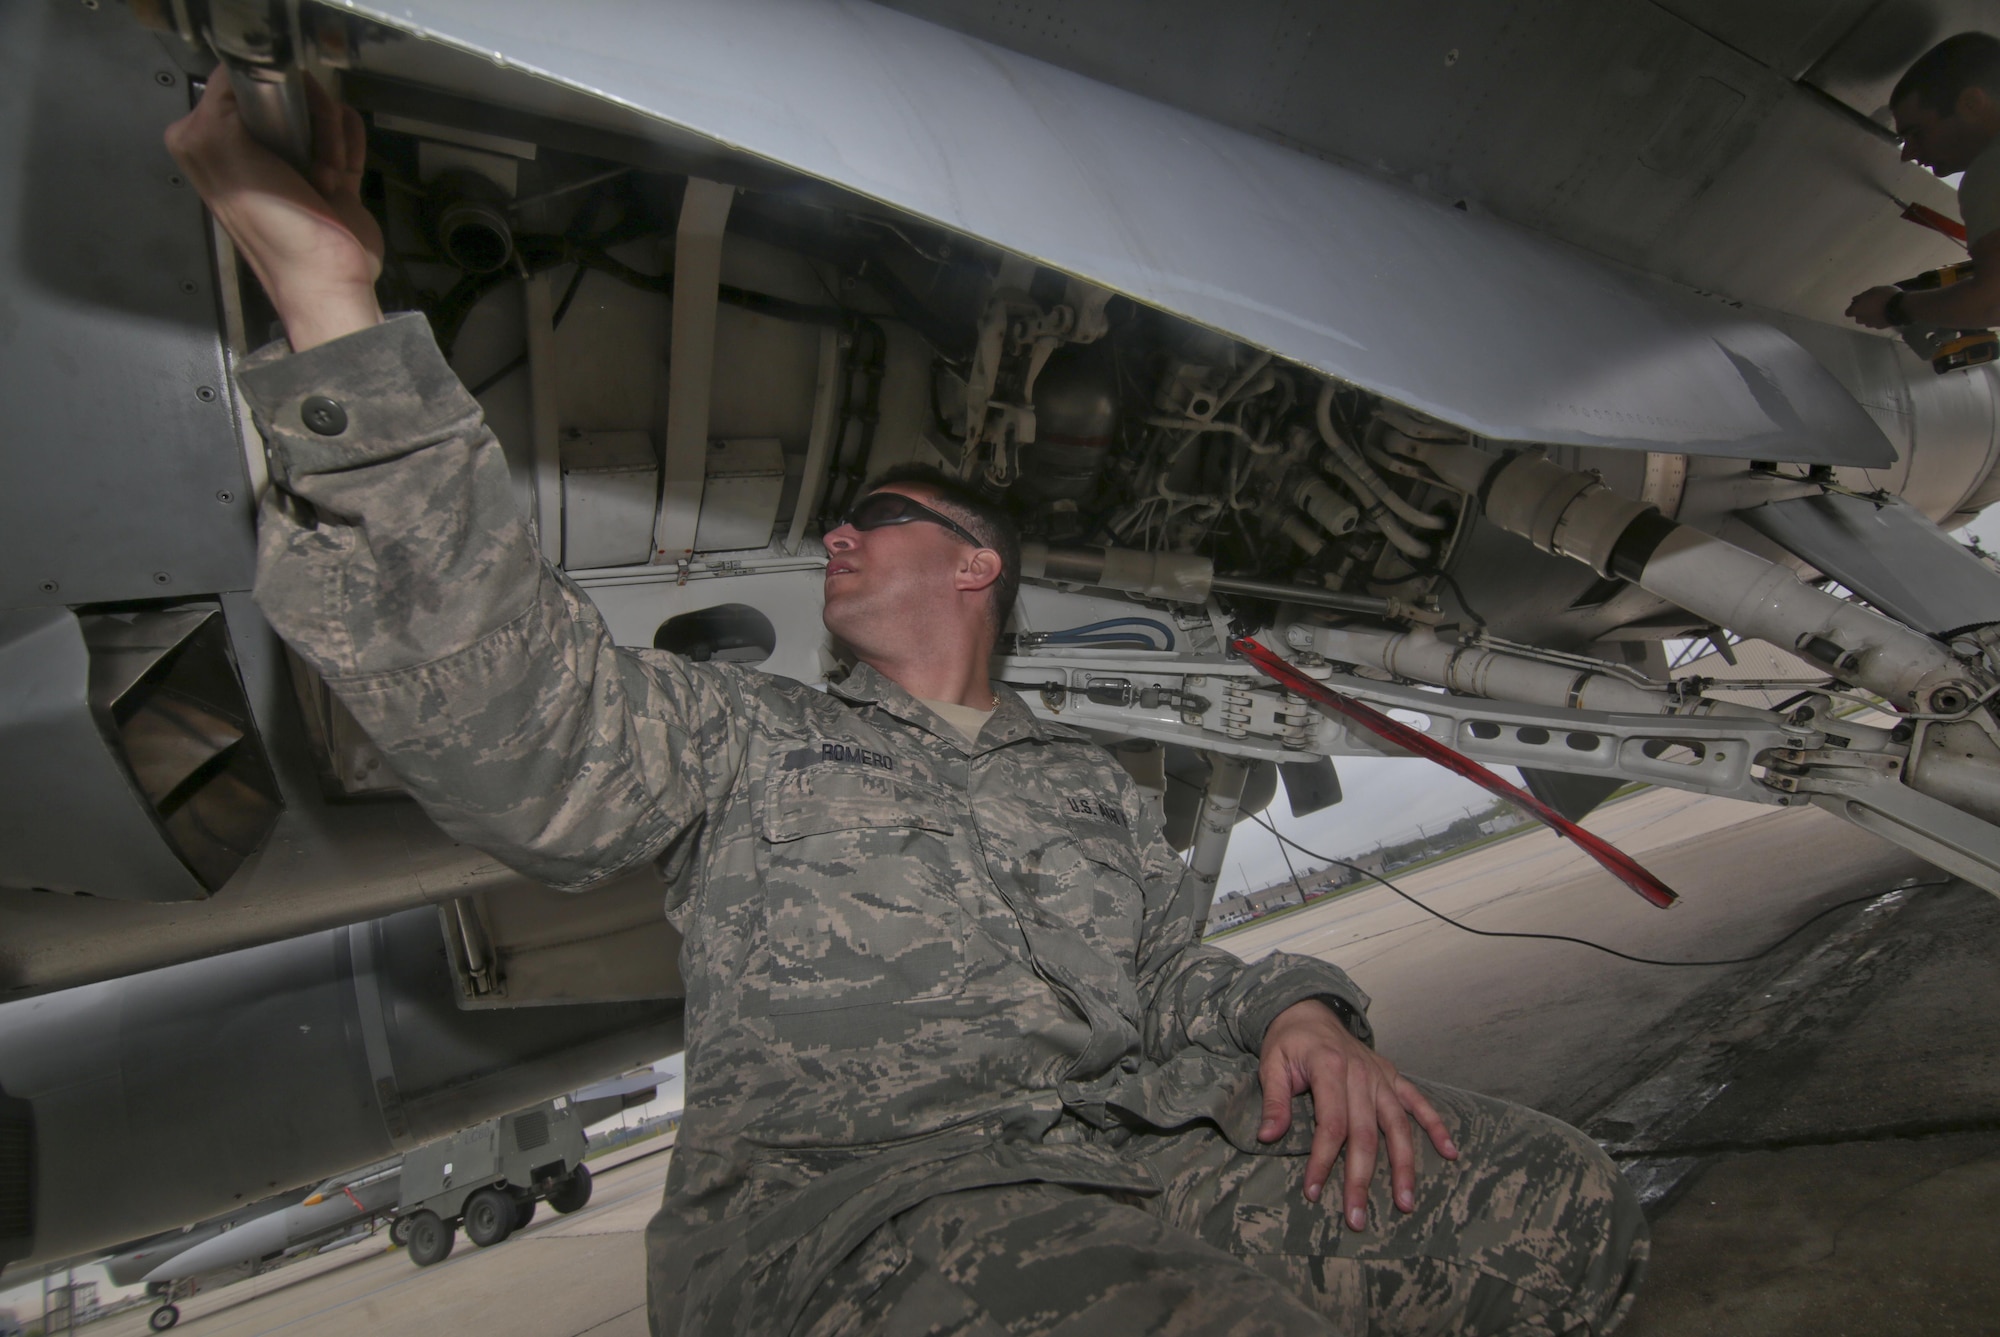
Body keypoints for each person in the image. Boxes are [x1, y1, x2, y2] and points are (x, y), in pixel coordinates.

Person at [167, 68, 1647, 1336]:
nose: (838, 538)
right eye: (837, 528)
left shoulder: (1085, 786)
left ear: (978, 565)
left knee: (1552, 1203)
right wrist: (332, 297)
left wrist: (1308, 1010)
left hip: (1124, 1153)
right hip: (861, 1218)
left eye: (873, 515)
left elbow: (1169, 983)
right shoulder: (742, 738)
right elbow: (515, 727)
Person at [1849, 32, 2000, 332]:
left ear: (1971, 104)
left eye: (1917, 133)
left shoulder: (1990, 169)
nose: (1909, 154)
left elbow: (1993, 301)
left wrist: (1895, 306)